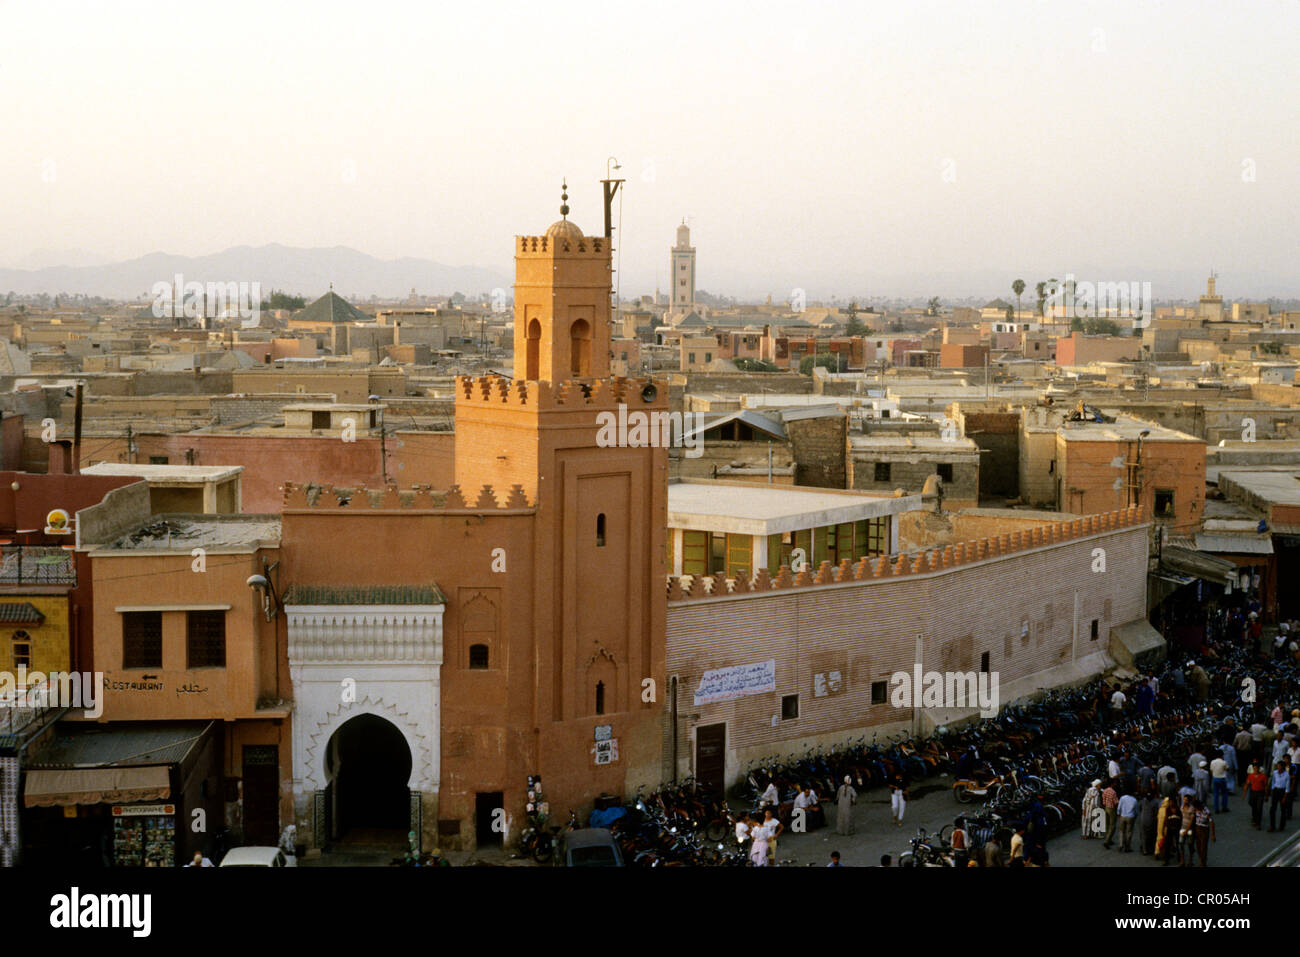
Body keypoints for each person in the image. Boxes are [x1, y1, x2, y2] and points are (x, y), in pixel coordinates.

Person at [1245, 762, 1268, 829]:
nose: (1255, 770)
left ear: (1259, 769)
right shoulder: (1251, 775)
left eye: (1256, 768)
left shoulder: (1263, 776)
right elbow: (1247, 783)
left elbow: (1266, 786)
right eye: (1254, 768)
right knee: (1253, 805)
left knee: (1259, 807)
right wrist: (1245, 792)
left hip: (1260, 793)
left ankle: (1258, 823)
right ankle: (1254, 818)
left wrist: (1266, 795)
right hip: (1253, 792)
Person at [1192, 798, 1215, 867]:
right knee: (1198, 847)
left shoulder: (1206, 811)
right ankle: (1201, 859)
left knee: (1203, 847)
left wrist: (1213, 834)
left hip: (1204, 829)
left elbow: (1211, 822)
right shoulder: (1195, 810)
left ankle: (1203, 863)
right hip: (1197, 828)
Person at [1139, 787, 1161, 856]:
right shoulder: (1155, 802)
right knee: (1152, 835)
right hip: (1151, 820)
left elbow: (1140, 808)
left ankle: (1144, 850)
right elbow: (1156, 813)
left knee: (1143, 835)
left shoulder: (1143, 801)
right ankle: (1151, 848)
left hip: (1143, 819)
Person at [1269, 761, 1290, 833]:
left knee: (1283, 810)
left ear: (1283, 767)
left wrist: (1285, 796)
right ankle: (1272, 826)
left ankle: (1281, 826)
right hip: (1276, 790)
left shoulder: (1286, 775)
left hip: (1282, 791)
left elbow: (1287, 787)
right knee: (1272, 809)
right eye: (1278, 766)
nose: (1278, 768)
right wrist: (1272, 791)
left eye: (1280, 766)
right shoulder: (1275, 773)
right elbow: (1273, 782)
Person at [1101, 780, 1120, 849]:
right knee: (1112, 826)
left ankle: (1109, 839)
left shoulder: (1105, 790)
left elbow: (1103, 800)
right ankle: (1107, 841)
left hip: (1106, 808)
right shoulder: (1113, 792)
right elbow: (1116, 802)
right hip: (1112, 809)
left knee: (1107, 824)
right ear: (1112, 784)